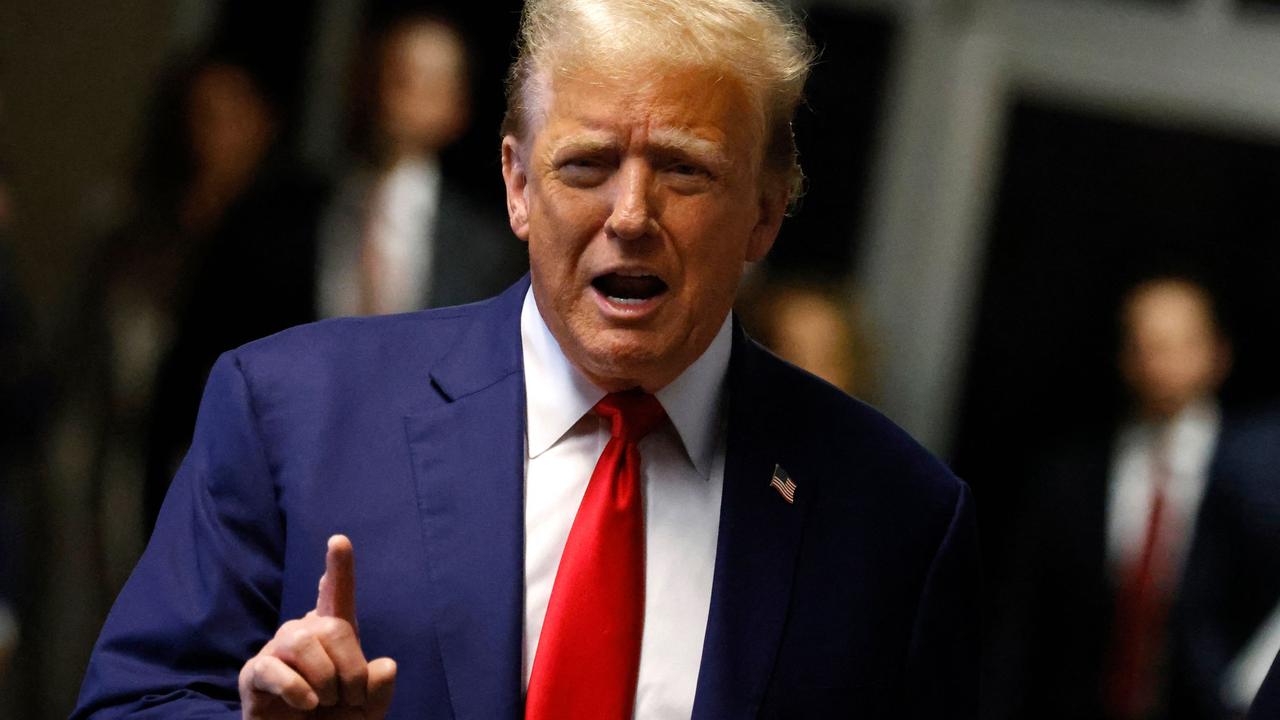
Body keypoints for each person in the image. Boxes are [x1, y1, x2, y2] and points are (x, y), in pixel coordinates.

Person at [72, 1, 979, 717]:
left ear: (766, 211)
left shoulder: (895, 517)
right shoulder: (289, 409)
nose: (630, 213)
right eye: (586, 165)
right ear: (516, 185)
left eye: (684, 169)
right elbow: (130, 703)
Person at [990, 276, 1234, 720]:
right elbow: (1024, 626)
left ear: (1217, 353)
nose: (1160, 363)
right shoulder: (1071, 476)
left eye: (1177, 344)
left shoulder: (1254, 479)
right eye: (1145, 345)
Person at [315, 13, 522, 318]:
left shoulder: (485, 246)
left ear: (456, 108)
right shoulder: (297, 211)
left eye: (422, 81)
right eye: (385, 72)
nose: (393, 93)